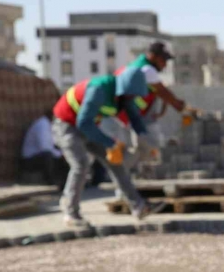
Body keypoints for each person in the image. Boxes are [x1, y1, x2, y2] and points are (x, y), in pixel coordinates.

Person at [52, 70, 164, 227]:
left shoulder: (124, 97)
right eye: (131, 95)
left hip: (90, 126)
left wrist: (148, 144)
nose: (133, 99)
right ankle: (71, 213)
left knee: (115, 163)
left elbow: (135, 120)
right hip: (67, 126)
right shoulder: (99, 89)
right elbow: (83, 122)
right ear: (124, 90)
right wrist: (110, 143)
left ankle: (139, 206)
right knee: (81, 164)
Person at [110, 41, 201, 170]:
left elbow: (159, 93)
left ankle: (124, 174)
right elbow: (163, 92)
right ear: (153, 56)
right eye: (163, 60)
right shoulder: (147, 69)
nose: (165, 64)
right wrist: (184, 108)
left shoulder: (138, 66)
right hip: (130, 115)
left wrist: (169, 108)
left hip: (129, 113)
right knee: (151, 146)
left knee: (143, 149)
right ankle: (120, 173)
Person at [19, 109, 68, 188]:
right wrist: (61, 154)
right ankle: (51, 181)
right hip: (29, 160)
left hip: (39, 155)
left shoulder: (49, 125)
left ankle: (65, 181)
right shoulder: (43, 125)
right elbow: (45, 148)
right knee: (49, 156)